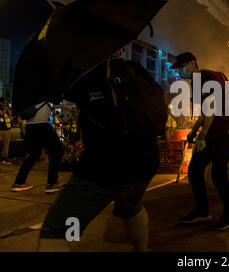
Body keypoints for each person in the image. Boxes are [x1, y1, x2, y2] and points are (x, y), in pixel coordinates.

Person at [37, 49, 166, 252]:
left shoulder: (90, 73)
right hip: (146, 162)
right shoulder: (136, 70)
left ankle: (71, 235)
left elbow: (61, 94)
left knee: (58, 230)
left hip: (105, 167)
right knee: (129, 206)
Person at [170, 52, 229, 231]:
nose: (180, 72)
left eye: (182, 67)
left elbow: (212, 107)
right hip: (215, 129)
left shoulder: (202, 77)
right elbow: (205, 109)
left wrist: (202, 135)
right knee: (195, 169)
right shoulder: (202, 78)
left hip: (221, 130)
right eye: (178, 69)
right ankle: (202, 212)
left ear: (192, 63)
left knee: (218, 174)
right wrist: (195, 130)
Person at [11, 101, 63, 193]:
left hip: (30, 127)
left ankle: (18, 183)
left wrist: (66, 106)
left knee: (34, 154)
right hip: (42, 125)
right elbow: (53, 102)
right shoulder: (43, 95)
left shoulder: (30, 97)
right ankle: (52, 183)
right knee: (57, 151)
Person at [0, 97, 13, 165]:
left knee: (6, 145)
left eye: (6, 103)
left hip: (7, 130)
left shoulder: (7, 110)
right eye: (3, 103)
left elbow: (11, 114)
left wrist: (7, 108)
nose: (5, 104)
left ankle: (4, 158)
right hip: (0, 130)